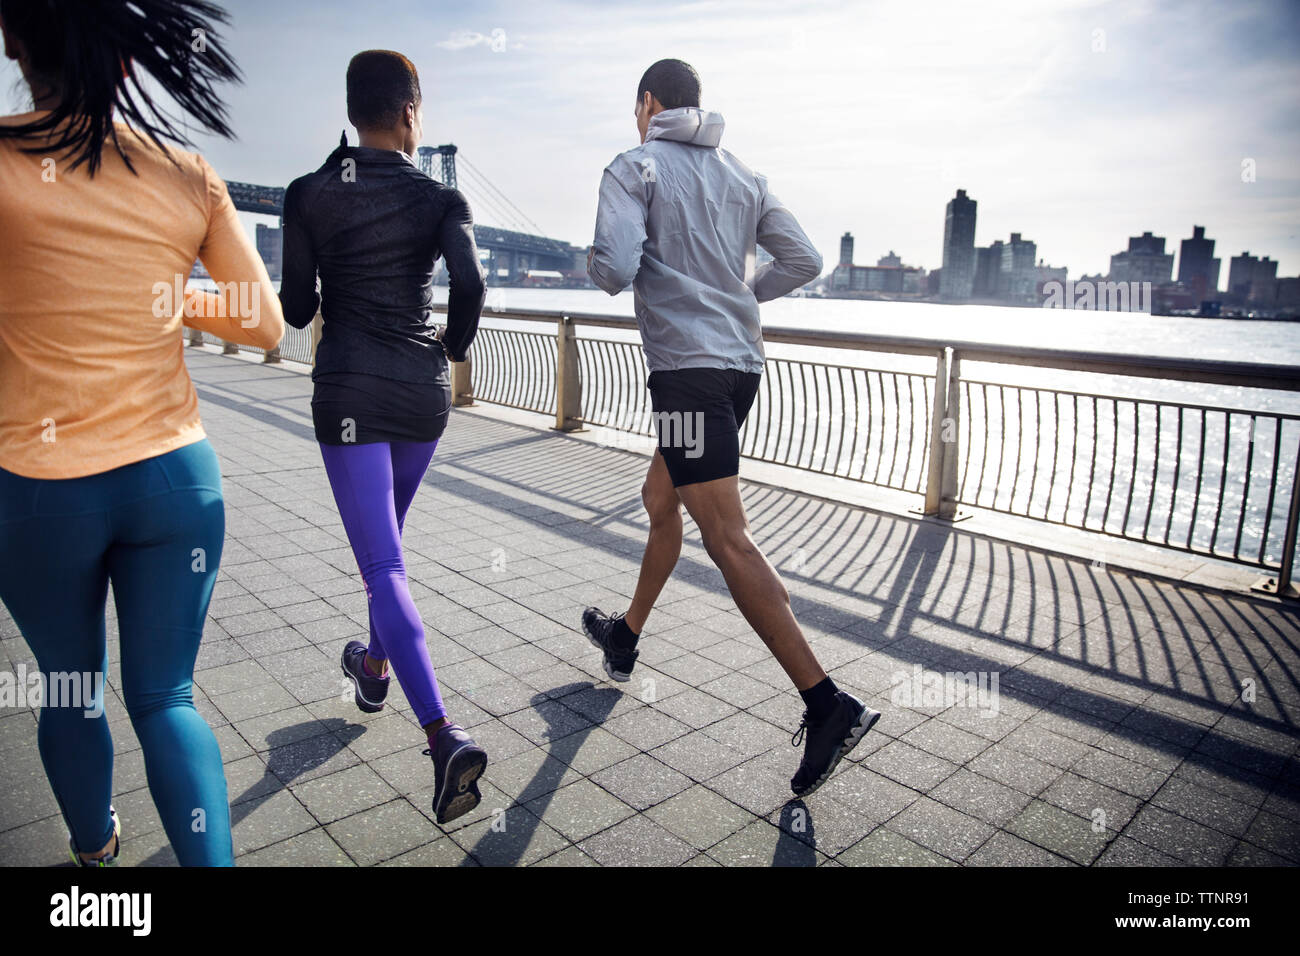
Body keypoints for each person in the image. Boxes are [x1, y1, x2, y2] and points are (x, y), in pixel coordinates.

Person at [0, 0, 284, 865]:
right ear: (127, 65)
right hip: (175, 482)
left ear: (13, 44)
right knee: (167, 695)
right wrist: (162, 295)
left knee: (73, 685)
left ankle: (96, 853)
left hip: (39, 488)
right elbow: (263, 324)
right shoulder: (186, 172)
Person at [583, 59, 881, 798]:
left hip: (686, 373)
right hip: (740, 370)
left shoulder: (635, 166)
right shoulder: (745, 175)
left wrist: (612, 265)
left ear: (648, 103)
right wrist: (740, 294)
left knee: (725, 536)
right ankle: (625, 635)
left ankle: (826, 703)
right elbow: (804, 260)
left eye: (638, 105)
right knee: (662, 501)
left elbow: (615, 268)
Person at [278, 50, 488, 825]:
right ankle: (372, 666)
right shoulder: (440, 197)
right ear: (410, 113)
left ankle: (442, 734)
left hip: (349, 394)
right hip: (420, 392)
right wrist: (453, 350)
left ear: (353, 108)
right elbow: (469, 285)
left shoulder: (308, 194)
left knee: (382, 562)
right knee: (387, 550)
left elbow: (297, 311)